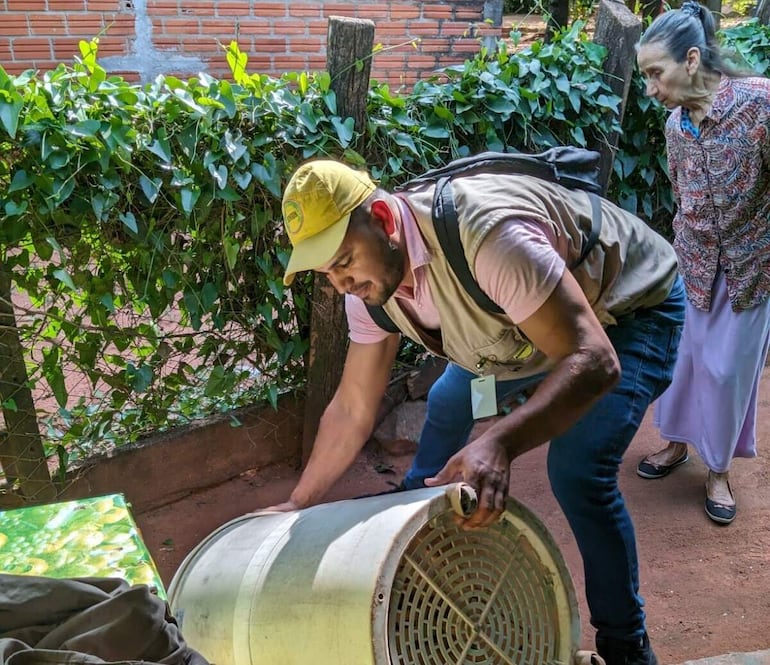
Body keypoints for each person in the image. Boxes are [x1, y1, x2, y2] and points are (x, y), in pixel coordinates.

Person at [271, 156, 684, 665]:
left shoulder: (490, 238)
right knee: (449, 398)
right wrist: (299, 501)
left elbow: (593, 360)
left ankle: (626, 642)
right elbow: (354, 404)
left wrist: (500, 442)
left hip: (624, 313)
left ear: (382, 219)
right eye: (326, 271)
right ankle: (415, 504)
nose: (340, 284)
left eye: (344, 260)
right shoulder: (367, 286)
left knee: (579, 470)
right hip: (522, 330)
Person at [636, 2, 770, 525]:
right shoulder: (674, 126)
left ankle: (717, 469)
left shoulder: (759, 104)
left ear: (691, 59)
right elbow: (681, 191)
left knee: (725, 371)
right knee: (683, 364)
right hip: (691, 264)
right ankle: (675, 445)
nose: (650, 87)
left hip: (749, 266)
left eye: (655, 73)